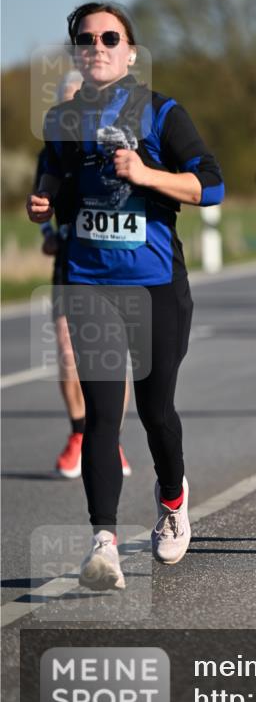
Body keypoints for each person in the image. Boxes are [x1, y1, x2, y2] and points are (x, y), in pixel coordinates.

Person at [27, 2, 224, 590]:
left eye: (110, 37)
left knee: (156, 409)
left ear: (131, 51)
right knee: (101, 417)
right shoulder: (62, 118)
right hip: (90, 283)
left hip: (155, 283)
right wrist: (42, 201)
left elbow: (211, 185)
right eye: (86, 39)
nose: (98, 46)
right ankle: (104, 543)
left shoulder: (161, 112)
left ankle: (172, 499)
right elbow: (51, 176)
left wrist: (146, 175)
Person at [34, 71, 132, 479]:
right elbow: (41, 198)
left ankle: (110, 438)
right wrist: (47, 233)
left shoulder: (116, 142)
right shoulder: (55, 147)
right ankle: (79, 433)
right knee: (68, 349)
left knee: (112, 356)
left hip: (112, 259)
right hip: (70, 259)